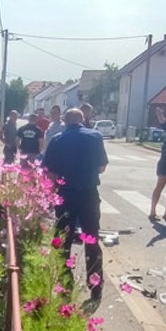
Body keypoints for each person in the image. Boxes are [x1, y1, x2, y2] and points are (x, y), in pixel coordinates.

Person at [43, 109, 109, 301]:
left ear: (65, 121)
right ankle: (95, 286)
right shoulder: (95, 136)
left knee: (63, 241)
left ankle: (66, 284)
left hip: (65, 197)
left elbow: (50, 173)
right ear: (83, 120)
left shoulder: (57, 139)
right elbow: (102, 167)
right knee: (92, 239)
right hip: (88, 195)